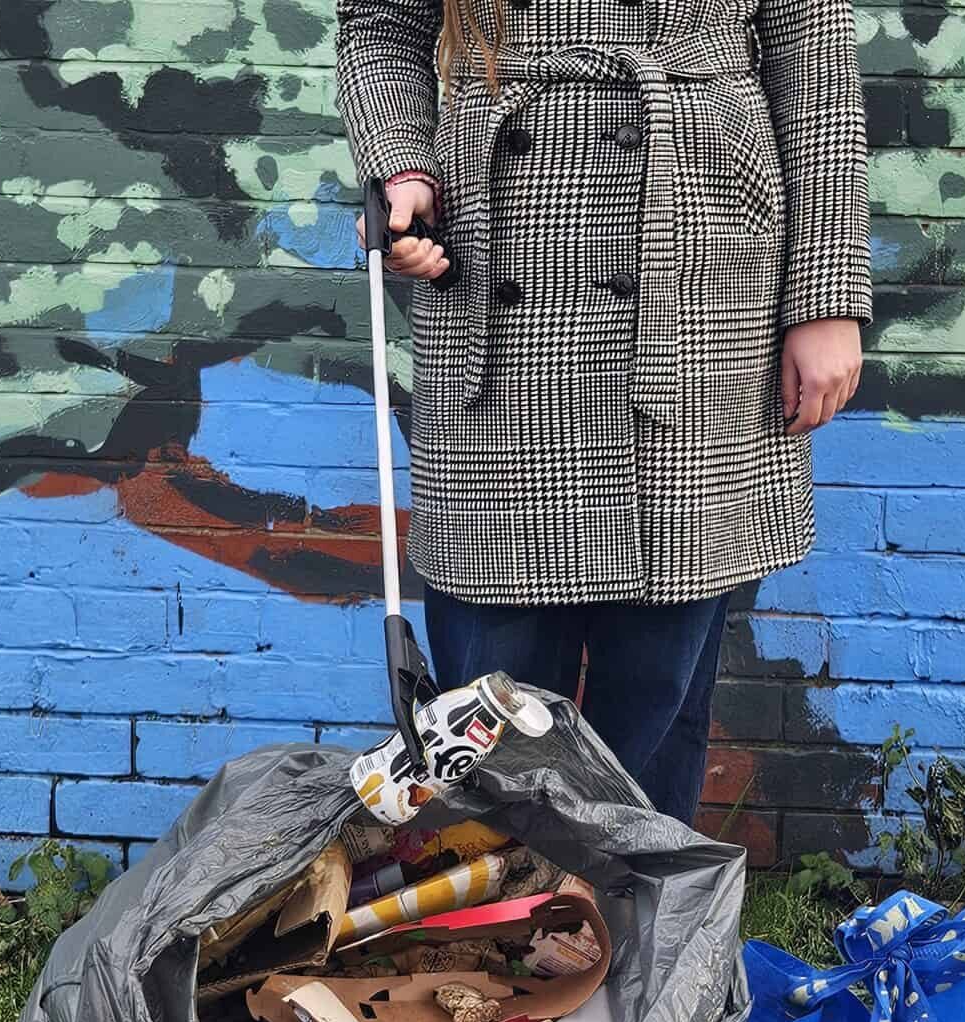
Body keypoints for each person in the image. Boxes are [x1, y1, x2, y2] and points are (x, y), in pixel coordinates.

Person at [335, 0, 871, 825]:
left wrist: (826, 293)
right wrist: (404, 165)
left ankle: (652, 932)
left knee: (659, 679)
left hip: (693, 257)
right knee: (489, 682)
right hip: (500, 248)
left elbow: (812, 43)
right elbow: (380, 22)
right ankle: (498, 933)